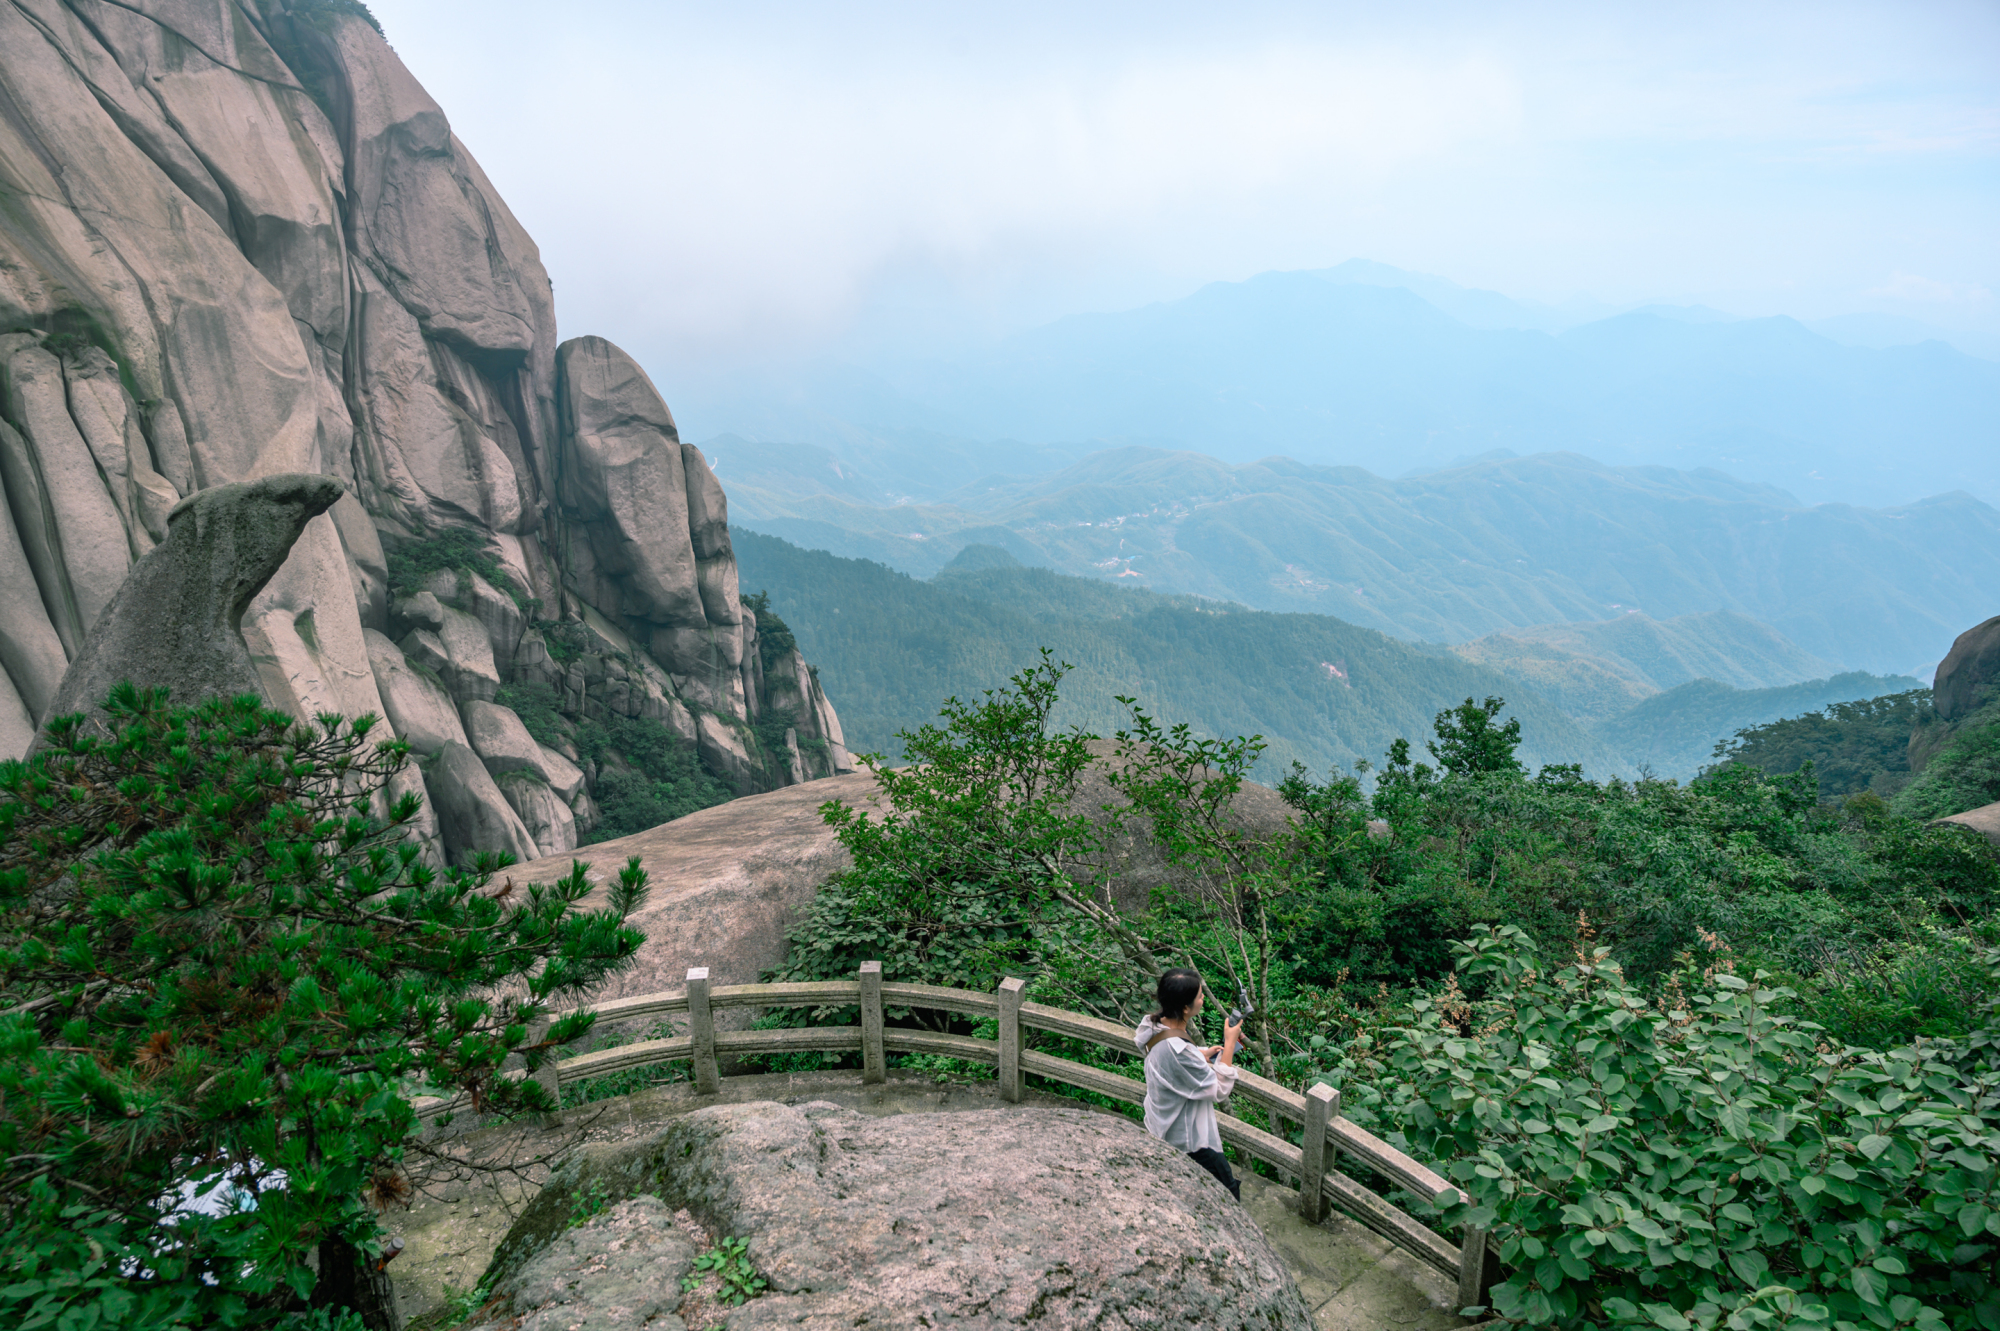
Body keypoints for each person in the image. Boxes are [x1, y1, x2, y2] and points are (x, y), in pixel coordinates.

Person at [1133, 967, 1243, 1200]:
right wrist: (1230, 1043)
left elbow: (1170, 1056)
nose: (1203, 1000)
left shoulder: (1152, 1025)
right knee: (1229, 1191)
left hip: (1161, 1121)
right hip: (1187, 1138)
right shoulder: (1179, 1051)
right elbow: (1219, 1089)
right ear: (1185, 1007)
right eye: (1200, 996)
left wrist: (1200, 1054)